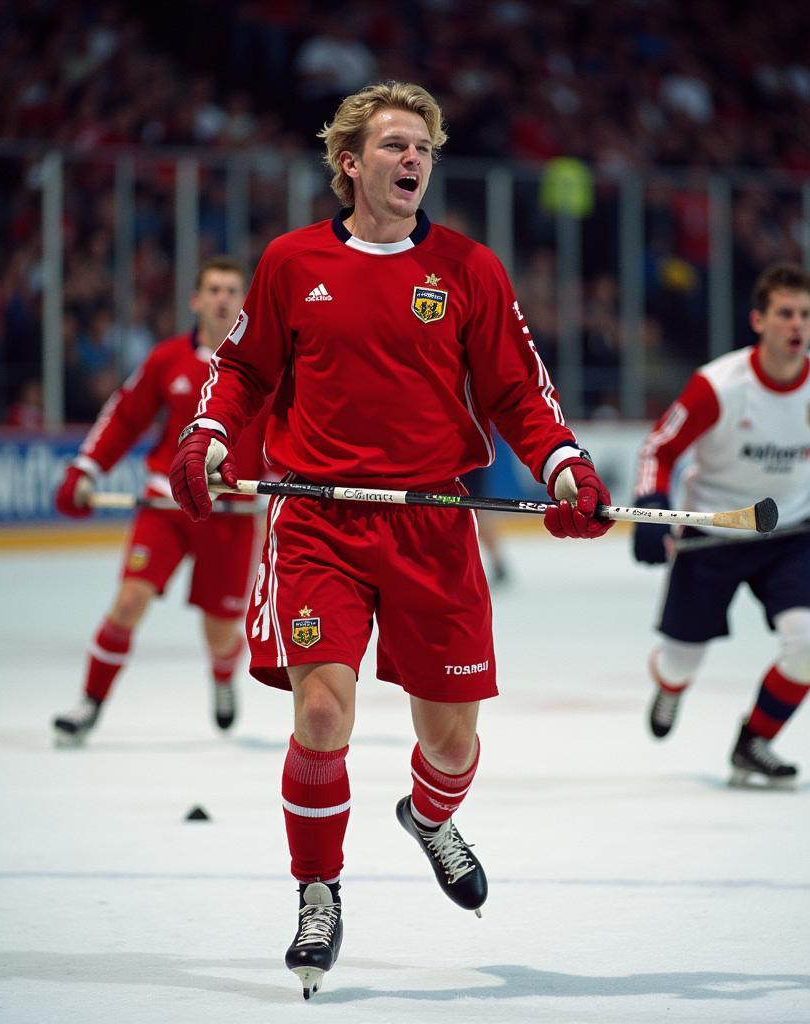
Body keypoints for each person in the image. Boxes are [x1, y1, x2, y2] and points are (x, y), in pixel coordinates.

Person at [167, 81, 614, 999]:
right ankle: (319, 893)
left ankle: (427, 813)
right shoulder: (292, 262)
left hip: (433, 523)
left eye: (425, 148)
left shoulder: (468, 268)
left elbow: (519, 393)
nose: (414, 161)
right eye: (396, 146)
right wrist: (206, 435)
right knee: (322, 715)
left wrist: (564, 466)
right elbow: (243, 368)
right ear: (350, 164)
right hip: (317, 518)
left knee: (451, 745)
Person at [632, 262, 810, 787]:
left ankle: (754, 742)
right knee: (678, 663)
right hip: (712, 534)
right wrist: (651, 507)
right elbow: (660, 447)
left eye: (805, 315)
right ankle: (671, 688)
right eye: (785, 313)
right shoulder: (719, 385)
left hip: (788, 537)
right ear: (759, 320)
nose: (797, 325)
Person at [51, 257, 268, 746]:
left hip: (231, 514)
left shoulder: (262, 369)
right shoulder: (166, 360)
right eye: (212, 289)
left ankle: (221, 675)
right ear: (195, 300)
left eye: (233, 290)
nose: (222, 299)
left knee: (220, 633)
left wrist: (280, 482)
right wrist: (85, 468)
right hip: (164, 509)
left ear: (244, 302)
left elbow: (286, 433)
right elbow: (125, 417)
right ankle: (89, 703)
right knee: (129, 601)